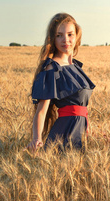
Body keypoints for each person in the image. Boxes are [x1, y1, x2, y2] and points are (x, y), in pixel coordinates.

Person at [26, 13, 95, 152]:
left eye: (70, 34)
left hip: (80, 133)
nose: (66, 40)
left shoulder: (75, 66)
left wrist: (91, 132)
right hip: (65, 134)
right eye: (59, 35)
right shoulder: (52, 68)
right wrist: (37, 138)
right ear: (53, 39)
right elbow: (41, 111)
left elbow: (82, 109)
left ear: (77, 37)